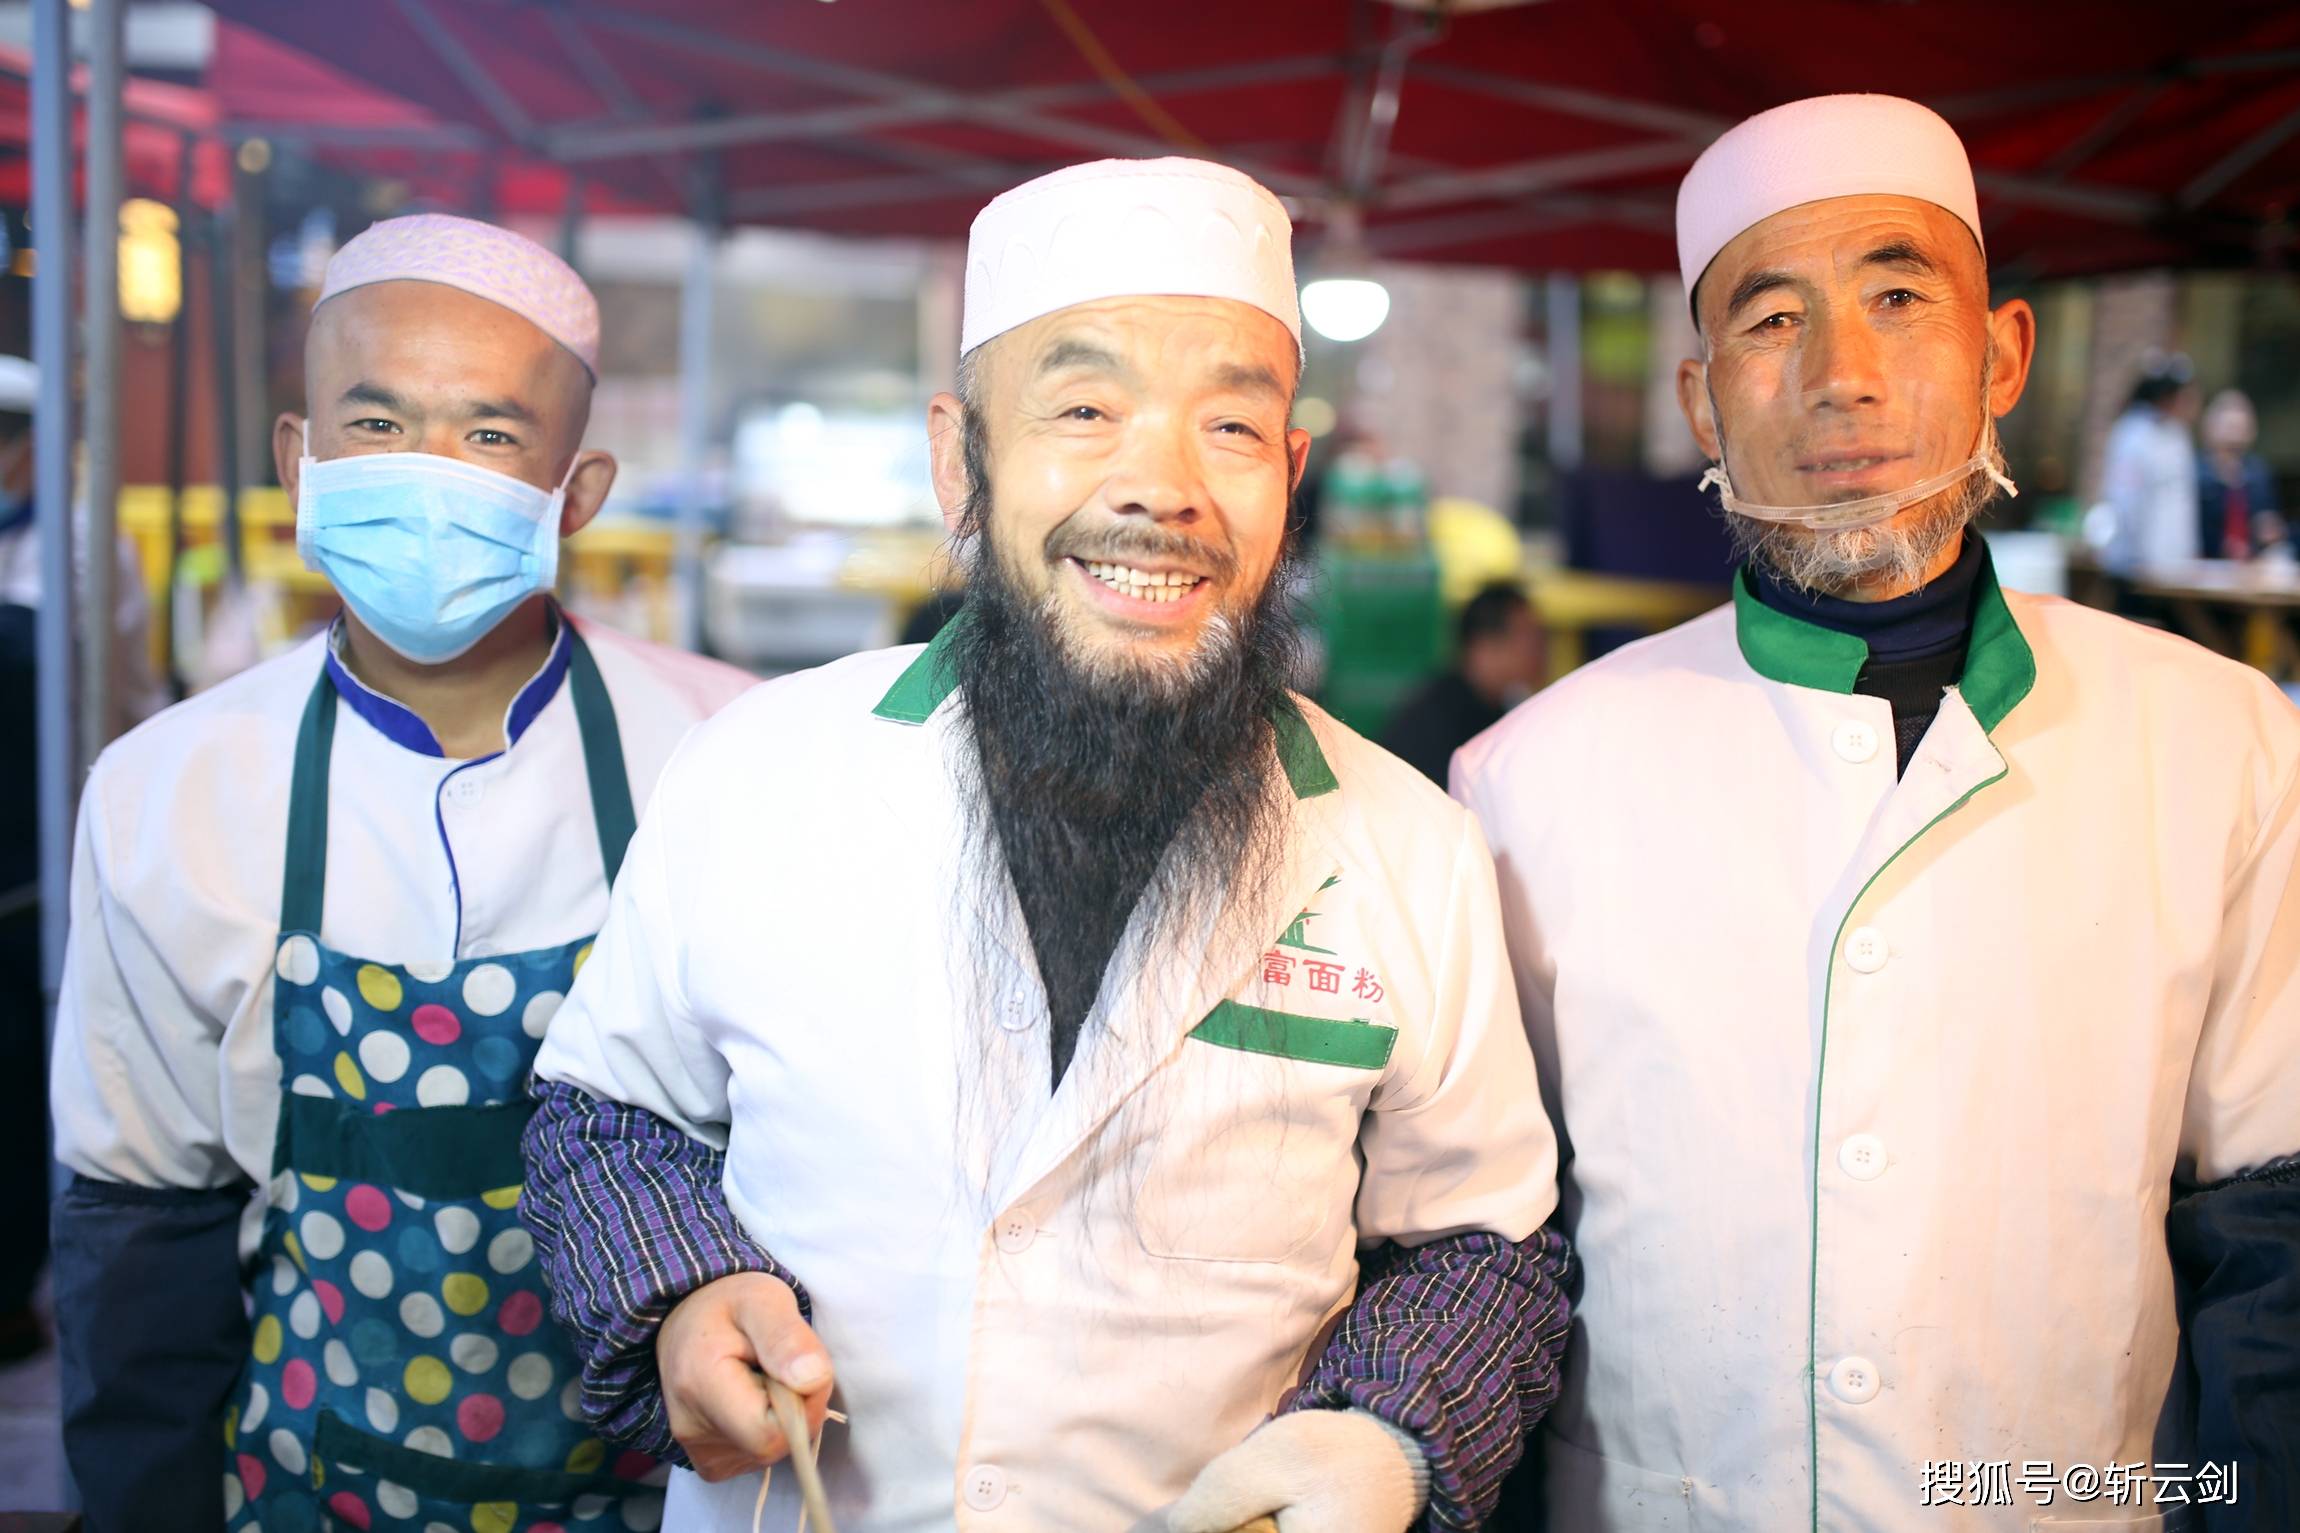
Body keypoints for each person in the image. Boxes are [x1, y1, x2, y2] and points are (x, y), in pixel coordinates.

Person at [520, 158, 1569, 1532]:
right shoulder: (762, 772)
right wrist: (679, 1294)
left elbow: (1486, 1250)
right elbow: (606, 1117)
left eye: (1233, 429)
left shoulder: (1407, 844)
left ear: (1293, 474)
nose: (1165, 488)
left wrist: (1389, 1433)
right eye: (1084, 408)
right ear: (962, 453)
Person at [1456, 95, 2298, 1532]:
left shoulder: (2224, 740)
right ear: (1702, 400)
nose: (1843, 376)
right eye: (1771, 320)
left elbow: (2272, 1232)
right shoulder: (1526, 778)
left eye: (1900, 296)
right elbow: (1489, 1251)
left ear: (2003, 353)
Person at [48, 215, 757, 1533]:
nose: (431, 475)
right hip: (315, 1486)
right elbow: (141, 1228)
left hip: (669, 1498)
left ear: (579, 489)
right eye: (375, 426)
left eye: (490, 436)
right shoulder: (169, 791)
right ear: (299, 458)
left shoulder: (736, 757)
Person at [1380, 581, 1543, 785]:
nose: (1540, 649)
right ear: (1484, 646)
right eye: (1529, 637)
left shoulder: (1492, 705)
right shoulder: (1438, 721)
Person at [2098, 353, 2202, 576]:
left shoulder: (2178, 435)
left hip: (2175, 563)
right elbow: (2125, 498)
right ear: (2166, 396)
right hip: (2136, 563)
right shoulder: (2132, 434)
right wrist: (2136, 555)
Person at [2197, 388, 2287, 561]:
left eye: (2241, 427)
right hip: (2206, 564)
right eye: (2230, 427)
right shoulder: (2194, 473)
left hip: (2251, 566)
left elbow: (2269, 520)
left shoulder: (2259, 473)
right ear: (2209, 428)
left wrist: (2271, 529)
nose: (2235, 435)